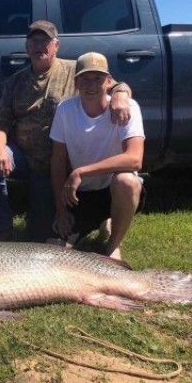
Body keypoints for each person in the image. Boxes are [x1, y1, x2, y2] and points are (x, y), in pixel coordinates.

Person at [0, 21, 132, 241]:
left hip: (56, 164)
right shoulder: (15, 82)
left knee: (40, 235)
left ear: (56, 46)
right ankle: (0, 231)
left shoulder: (74, 70)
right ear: (27, 46)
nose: (40, 46)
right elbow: (1, 123)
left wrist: (121, 94)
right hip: (22, 157)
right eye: (34, 41)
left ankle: (100, 217)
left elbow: (111, 83)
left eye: (45, 41)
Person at [50, 52, 145, 260]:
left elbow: (135, 159)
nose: (91, 85)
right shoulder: (65, 110)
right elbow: (57, 160)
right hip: (80, 194)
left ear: (110, 82)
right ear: (76, 82)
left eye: (98, 79)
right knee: (56, 249)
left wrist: (81, 171)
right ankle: (99, 222)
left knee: (127, 181)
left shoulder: (129, 108)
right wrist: (60, 209)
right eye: (84, 79)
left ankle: (113, 246)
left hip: (112, 188)